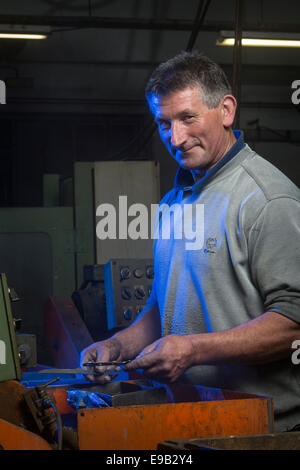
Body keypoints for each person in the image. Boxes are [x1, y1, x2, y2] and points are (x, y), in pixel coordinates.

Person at [80, 51, 300, 432]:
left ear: (226, 110)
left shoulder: (267, 200)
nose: (175, 139)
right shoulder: (173, 202)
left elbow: (294, 322)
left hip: (265, 431)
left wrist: (193, 350)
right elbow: (162, 303)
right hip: (193, 422)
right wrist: (119, 346)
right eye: (164, 123)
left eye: (187, 118)